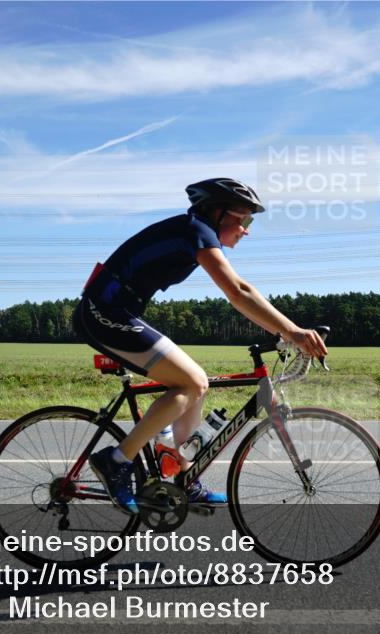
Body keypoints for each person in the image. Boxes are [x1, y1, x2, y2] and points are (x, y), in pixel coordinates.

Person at [73, 178, 328, 513]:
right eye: (244, 220)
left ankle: (183, 476)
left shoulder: (194, 231)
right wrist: (293, 332)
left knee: (197, 384)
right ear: (219, 214)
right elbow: (238, 291)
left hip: (118, 311)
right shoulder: (197, 230)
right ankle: (116, 460)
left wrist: (281, 332)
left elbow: (240, 295)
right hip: (102, 313)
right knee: (193, 381)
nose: (247, 230)